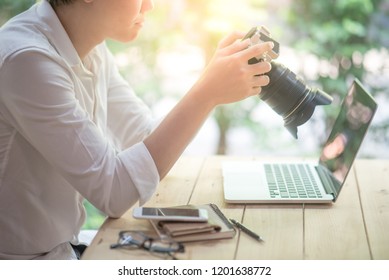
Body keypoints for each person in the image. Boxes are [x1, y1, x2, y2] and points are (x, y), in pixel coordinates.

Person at [0, 0, 273, 259]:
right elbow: (113, 192)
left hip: (64, 250)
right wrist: (207, 94)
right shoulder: (27, 60)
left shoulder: (90, 48)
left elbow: (141, 136)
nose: (150, 5)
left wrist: (212, 81)